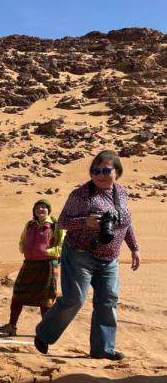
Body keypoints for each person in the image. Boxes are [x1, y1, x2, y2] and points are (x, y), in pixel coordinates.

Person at [34, 150, 140, 360]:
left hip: (110, 258)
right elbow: (62, 222)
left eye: (105, 170)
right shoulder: (80, 195)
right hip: (79, 254)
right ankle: (44, 334)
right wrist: (86, 222)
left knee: (108, 301)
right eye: (95, 170)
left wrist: (134, 247)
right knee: (75, 299)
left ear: (117, 172)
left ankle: (103, 350)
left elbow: (126, 222)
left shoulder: (122, 193)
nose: (100, 174)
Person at [0, 198, 65, 336]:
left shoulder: (56, 225)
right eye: (38, 207)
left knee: (45, 298)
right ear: (34, 210)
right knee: (18, 293)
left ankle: (46, 330)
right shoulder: (29, 224)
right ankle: (12, 326)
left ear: (48, 210)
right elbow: (22, 240)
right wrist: (23, 248)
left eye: (43, 207)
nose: (40, 210)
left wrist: (47, 252)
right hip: (29, 263)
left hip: (48, 265)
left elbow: (62, 246)